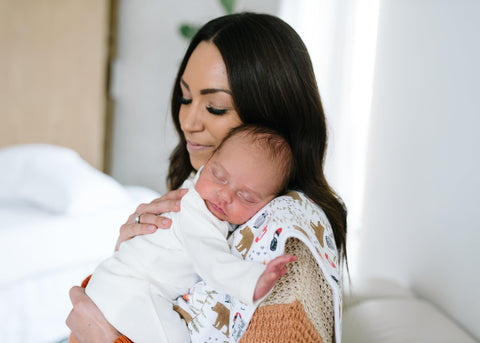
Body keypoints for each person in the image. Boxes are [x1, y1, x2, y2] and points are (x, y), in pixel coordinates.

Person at [67, 12, 347, 343]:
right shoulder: (204, 190)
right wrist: (132, 254)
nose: (188, 120)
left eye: (214, 107)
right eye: (185, 97)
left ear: (268, 117)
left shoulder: (290, 246)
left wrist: (107, 336)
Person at [77, 125, 297, 343]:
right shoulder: (198, 211)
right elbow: (210, 261)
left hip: (120, 284)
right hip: (131, 289)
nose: (224, 195)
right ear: (208, 163)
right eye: (219, 177)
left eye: (246, 197)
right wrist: (253, 280)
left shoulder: (202, 188)